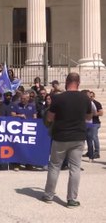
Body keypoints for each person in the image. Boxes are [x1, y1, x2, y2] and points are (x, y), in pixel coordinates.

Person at [42, 72, 92, 208]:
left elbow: (50, 118)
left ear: (66, 81)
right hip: (78, 137)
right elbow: (88, 117)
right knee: (75, 168)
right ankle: (71, 199)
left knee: (54, 166)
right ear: (79, 82)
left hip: (61, 137)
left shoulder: (58, 98)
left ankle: (48, 195)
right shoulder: (85, 98)